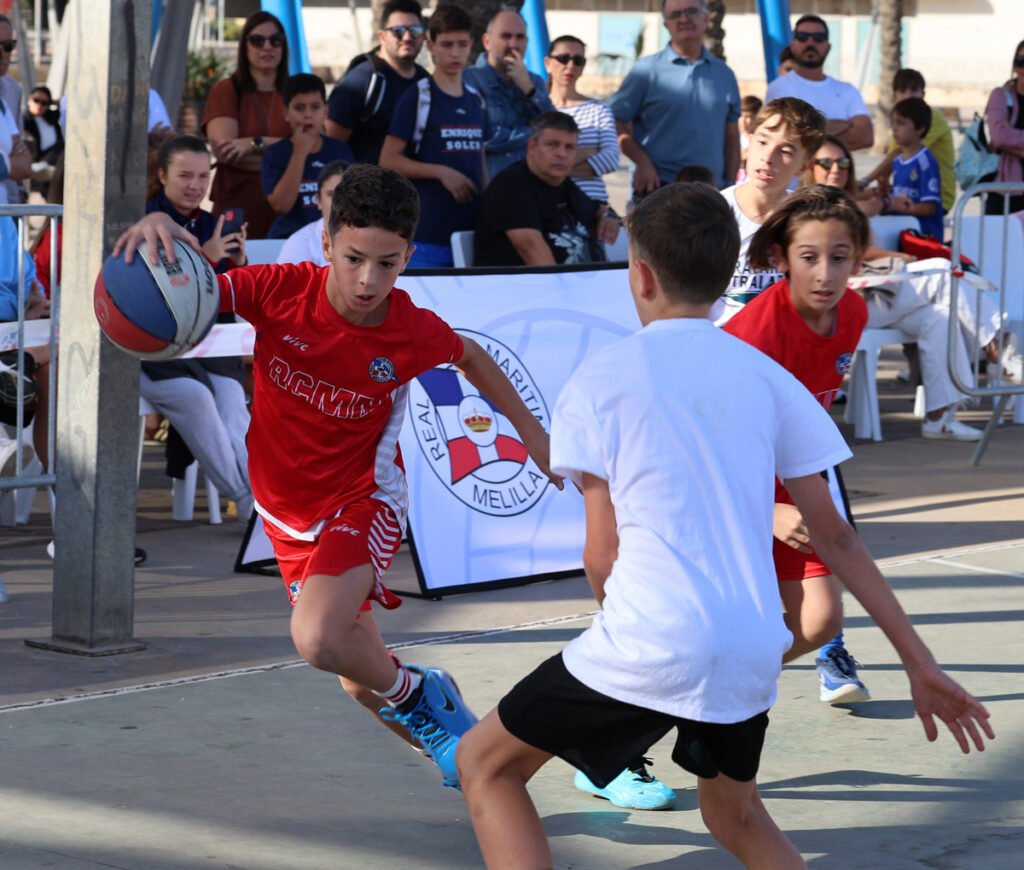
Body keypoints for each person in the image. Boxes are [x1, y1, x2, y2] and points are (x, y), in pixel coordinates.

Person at [455, 181, 993, 870]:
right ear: (725, 274)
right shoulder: (769, 376)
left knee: (486, 765)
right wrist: (921, 664)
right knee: (733, 816)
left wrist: (629, 639)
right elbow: (839, 539)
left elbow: (602, 552)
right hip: (748, 652)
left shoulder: (602, 377)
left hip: (646, 642)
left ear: (640, 275)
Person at [114, 163, 563, 790]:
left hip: (363, 501)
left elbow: (470, 355)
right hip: (285, 517)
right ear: (326, 244)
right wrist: (160, 222)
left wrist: (535, 439)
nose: (367, 279)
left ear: (408, 256)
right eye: (353, 258)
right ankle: (472, 753)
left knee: (319, 638)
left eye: (386, 263)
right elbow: (194, 289)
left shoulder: (408, 329)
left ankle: (427, 699)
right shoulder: (278, 289)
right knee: (358, 677)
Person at [724, 186, 873, 704]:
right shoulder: (756, 335)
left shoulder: (853, 313)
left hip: (794, 481)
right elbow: (710, 437)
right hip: (728, 485)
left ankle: (715, 689)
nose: (826, 274)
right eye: (809, 258)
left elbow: (809, 420)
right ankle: (632, 725)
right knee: (704, 633)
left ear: (858, 257)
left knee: (818, 621)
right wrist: (762, 509)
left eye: (840, 258)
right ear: (780, 258)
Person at [805, 137, 1010, 440]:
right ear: (810, 167)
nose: (835, 169)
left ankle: (939, 416)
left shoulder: (844, 204)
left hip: (874, 296)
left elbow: (869, 209)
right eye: (825, 163)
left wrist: (882, 200)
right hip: (843, 303)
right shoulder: (810, 206)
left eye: (843, 163)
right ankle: (997, 351)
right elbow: (853, 251)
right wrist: (898, 256)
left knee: (940, 317)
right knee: (941, 271)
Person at [142, 134, 255, 520]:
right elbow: (152, 298)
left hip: (208, 350)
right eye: (185, 175)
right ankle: (244, 501)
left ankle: (264, 504)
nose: (195, 186)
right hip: (154, 355)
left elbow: (230, 298)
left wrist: (238, 264)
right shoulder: (146, 222)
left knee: (231, 400)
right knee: (198, 398)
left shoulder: (211, 222)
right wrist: (203, 258)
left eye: (203, 176)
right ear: (162, 175)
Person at [379, 4, 488, 269]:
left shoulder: (476, 99)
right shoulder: (419, 97)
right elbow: (388, 160)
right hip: (426, 238)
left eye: (462, 44)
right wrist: (441, 172)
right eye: (447, 44)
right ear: (431, 45)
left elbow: (481, 163)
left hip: (473, 234)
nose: (455, 53)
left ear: (471, 45)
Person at [609, 0, 740, 195]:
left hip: (712, 193)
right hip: (657, 190)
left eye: (691, 11)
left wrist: (730, 186)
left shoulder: (725, 74)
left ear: (705, 18)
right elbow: (614, 122)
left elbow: (731, 137)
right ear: (665, 24)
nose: (684, 19)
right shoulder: (645, 70)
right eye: (674, 14)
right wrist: (642, 162)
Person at [713, 97, 824, 325]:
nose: (768, 158)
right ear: (750, 141)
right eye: (762, 142)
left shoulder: (807, 221)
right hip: (721, 345)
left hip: (781, 348)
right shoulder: (714, 212)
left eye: (785, 151)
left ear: (804, 165)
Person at [474, 111, 620, 267]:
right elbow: (530, 248)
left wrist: (607, 216)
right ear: (532, 146)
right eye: (552, 144)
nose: (562, 154)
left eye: (569, 147)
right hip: (529, 287)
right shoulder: (511, 186)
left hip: (583, 283)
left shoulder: (563, 184)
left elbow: (597, 208)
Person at [202, 11, 291, 239]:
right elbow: (226, 152)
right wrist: (286, 157)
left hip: (288, 210)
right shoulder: (227, 90)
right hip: (237, 210)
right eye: (257, 40)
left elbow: (312, 147)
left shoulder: (295, 92)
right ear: (245, 46)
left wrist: (254, 144)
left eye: (276, 40)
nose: (267, 47)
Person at [325, 0, 429, 165]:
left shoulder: (425, 82)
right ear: (382, 36)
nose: (407, 37)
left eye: (415, 31)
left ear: (424, 36)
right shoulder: (362, 80)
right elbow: (330, 145)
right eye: (398, 31)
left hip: (410, 187)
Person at [462, 7, 553, 179]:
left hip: (529, 187)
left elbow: (554, 130)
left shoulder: (534, 82)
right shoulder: (469, 80)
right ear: (487, 41)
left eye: (520, 37)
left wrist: (529, 90)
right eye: (506, 36)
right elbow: (480, 137)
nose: (513, 44)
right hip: (487, 187)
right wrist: (533, 134)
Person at [261, 73, 354, 240]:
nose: (308, 115)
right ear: (285, 112)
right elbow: (281, 205)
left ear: (326, 111)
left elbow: (352, 202)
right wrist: (299, 153)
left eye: (315, 107)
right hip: (286, 238)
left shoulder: (340, 150)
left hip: (332, 239)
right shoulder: (275, 154)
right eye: (299, 108)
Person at [765, 15, 873, 153]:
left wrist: (810, 130)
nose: (810, 43)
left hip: (837, 172)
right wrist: (841, 125)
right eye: (803, 36)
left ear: (827, 47)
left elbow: (865, 136)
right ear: (793, 46)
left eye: (818, 37)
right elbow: (786, 135)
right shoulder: (779, 88)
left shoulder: (848, 90)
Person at [859, 70, 955, 215]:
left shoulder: (929, 117)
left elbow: (898, 153)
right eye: (903, 91)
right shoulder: (902, 122)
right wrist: (880, 184)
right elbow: (893, 161)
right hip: (908, 192)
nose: (909, 95)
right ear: (894, 96)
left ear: (923, 94)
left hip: (931, 196)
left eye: (914, 90)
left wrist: (866, 181)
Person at [545, 35, 620, 204]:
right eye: (563, 59)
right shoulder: (538, 109)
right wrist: (586, 152)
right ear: (548, 63)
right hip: (548, 205)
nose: (570, 65)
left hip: (594, 205)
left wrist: (551, 170)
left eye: (578, 60)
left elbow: (611, 159)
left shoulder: (599, 108)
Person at [879, 97, 944, 240]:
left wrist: (896, 206)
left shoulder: (925, 162)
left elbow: (929, 207)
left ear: (920, 129)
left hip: (924, 238)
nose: (894, 128)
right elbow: (902, 193)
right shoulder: (898, 159)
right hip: (902, 234)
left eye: (901, 123)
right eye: (893, 122)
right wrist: (887, 192)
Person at [276, 160, 347, 266]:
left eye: (345, 194)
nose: (338, 202)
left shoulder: (370, 238)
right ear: (318, 200)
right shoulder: (300, 243)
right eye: (331, 194)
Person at [983, 39, 1024, 215]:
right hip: (1003, 191)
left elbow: (1006, 136)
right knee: (997, 241)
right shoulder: (1001, 95)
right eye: (1021, 62)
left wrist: (1014, 143)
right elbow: (999, 136)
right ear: (1015, 66)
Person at [21, 86, 63, 196]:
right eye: (36, 100)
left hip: (53, 159)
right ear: (29, 99)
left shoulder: (51, 118)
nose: (39, 105)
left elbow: (66, 106)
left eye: (44, 103)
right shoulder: (24, 120)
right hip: (38, 160)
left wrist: (54, 102)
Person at [738, 94, 762, 176]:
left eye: (748, 117)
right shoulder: (735, 138)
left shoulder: (762, 140)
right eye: (740, 116)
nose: (743, 121)